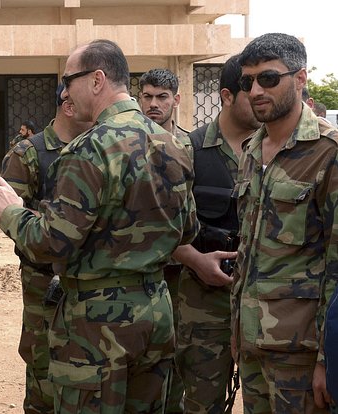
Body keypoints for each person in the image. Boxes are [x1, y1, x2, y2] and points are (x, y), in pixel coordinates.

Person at [0, 39, 198, 413]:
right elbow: (187, 229)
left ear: (97, 80)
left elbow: (51, 242)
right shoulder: (172, 144)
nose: (65, 91)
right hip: (156, 311)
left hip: (97, 321)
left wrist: (10, 211)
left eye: (69, 80)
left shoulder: (90, 148)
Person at [232, 32, 338, 413]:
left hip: (302, 353)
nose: (256, 91)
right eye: (248, 81)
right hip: (252, 344)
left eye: (269, 78)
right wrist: (237, 330)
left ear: (300, 78)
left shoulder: (328, 152)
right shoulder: (250, 150)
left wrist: (328, 358)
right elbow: (247, 250)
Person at [172, 54, 261, 414]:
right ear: (226, 96)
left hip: (266, 306)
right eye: (250, 90)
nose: (261, 97)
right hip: (203, 304)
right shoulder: (187, 150)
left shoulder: (279, 150)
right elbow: (159, 225)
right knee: (201, 404)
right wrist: (195, 260)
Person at [1, 83, 92, 414]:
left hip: (90, 283)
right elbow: (10, 218)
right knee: (44, 369)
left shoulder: (97, 151)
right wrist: (53, 229)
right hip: (43, 285)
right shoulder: (28, 154)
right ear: (68, 105)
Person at [139, 67, 191, 413]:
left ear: (176, 99)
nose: (153, 104)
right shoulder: (127, 142)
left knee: (180, 350)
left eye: (162, 97)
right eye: (147, 96)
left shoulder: (189, 145)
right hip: (141, 268)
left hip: (182, 269)